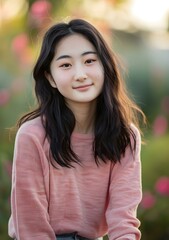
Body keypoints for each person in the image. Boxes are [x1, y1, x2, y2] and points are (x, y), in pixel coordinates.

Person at [8, 18, 146, 240]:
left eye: (90, 61)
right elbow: (31, 227)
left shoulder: (125, 137)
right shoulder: (32, 136)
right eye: (65, 65)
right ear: (50, 78)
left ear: (105, 66)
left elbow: (124, 220)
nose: (80, 74)